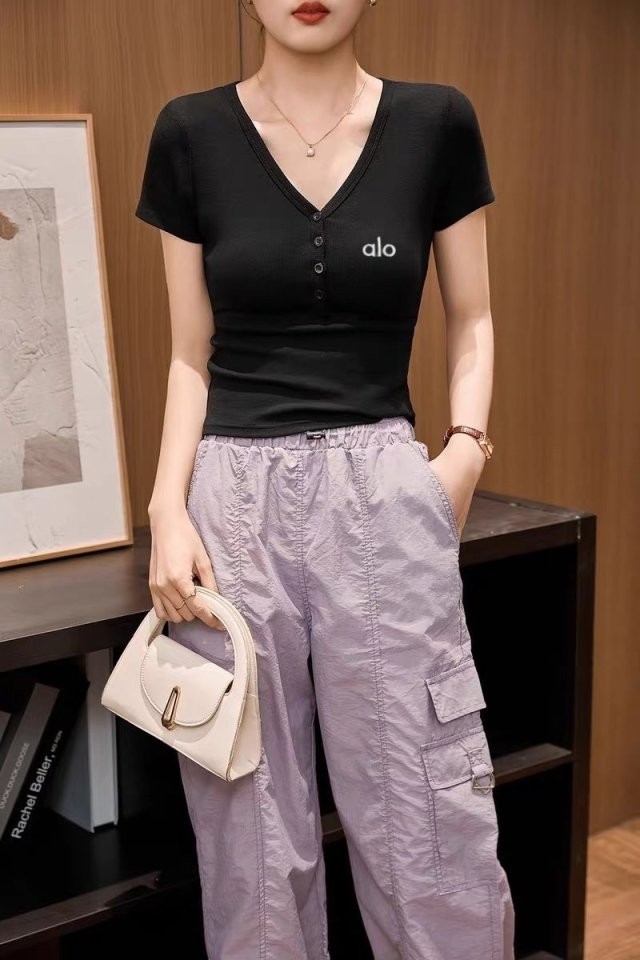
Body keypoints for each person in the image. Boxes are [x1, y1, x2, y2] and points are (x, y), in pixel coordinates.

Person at [134, 1, 516, 957]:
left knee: (426, 806)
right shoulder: (189, 132)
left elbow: (473, 315)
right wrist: (166, 507)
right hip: (230, 503)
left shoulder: (435, 122)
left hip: (385, 491)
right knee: (249, 831)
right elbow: (188, 351)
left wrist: (464, 450)